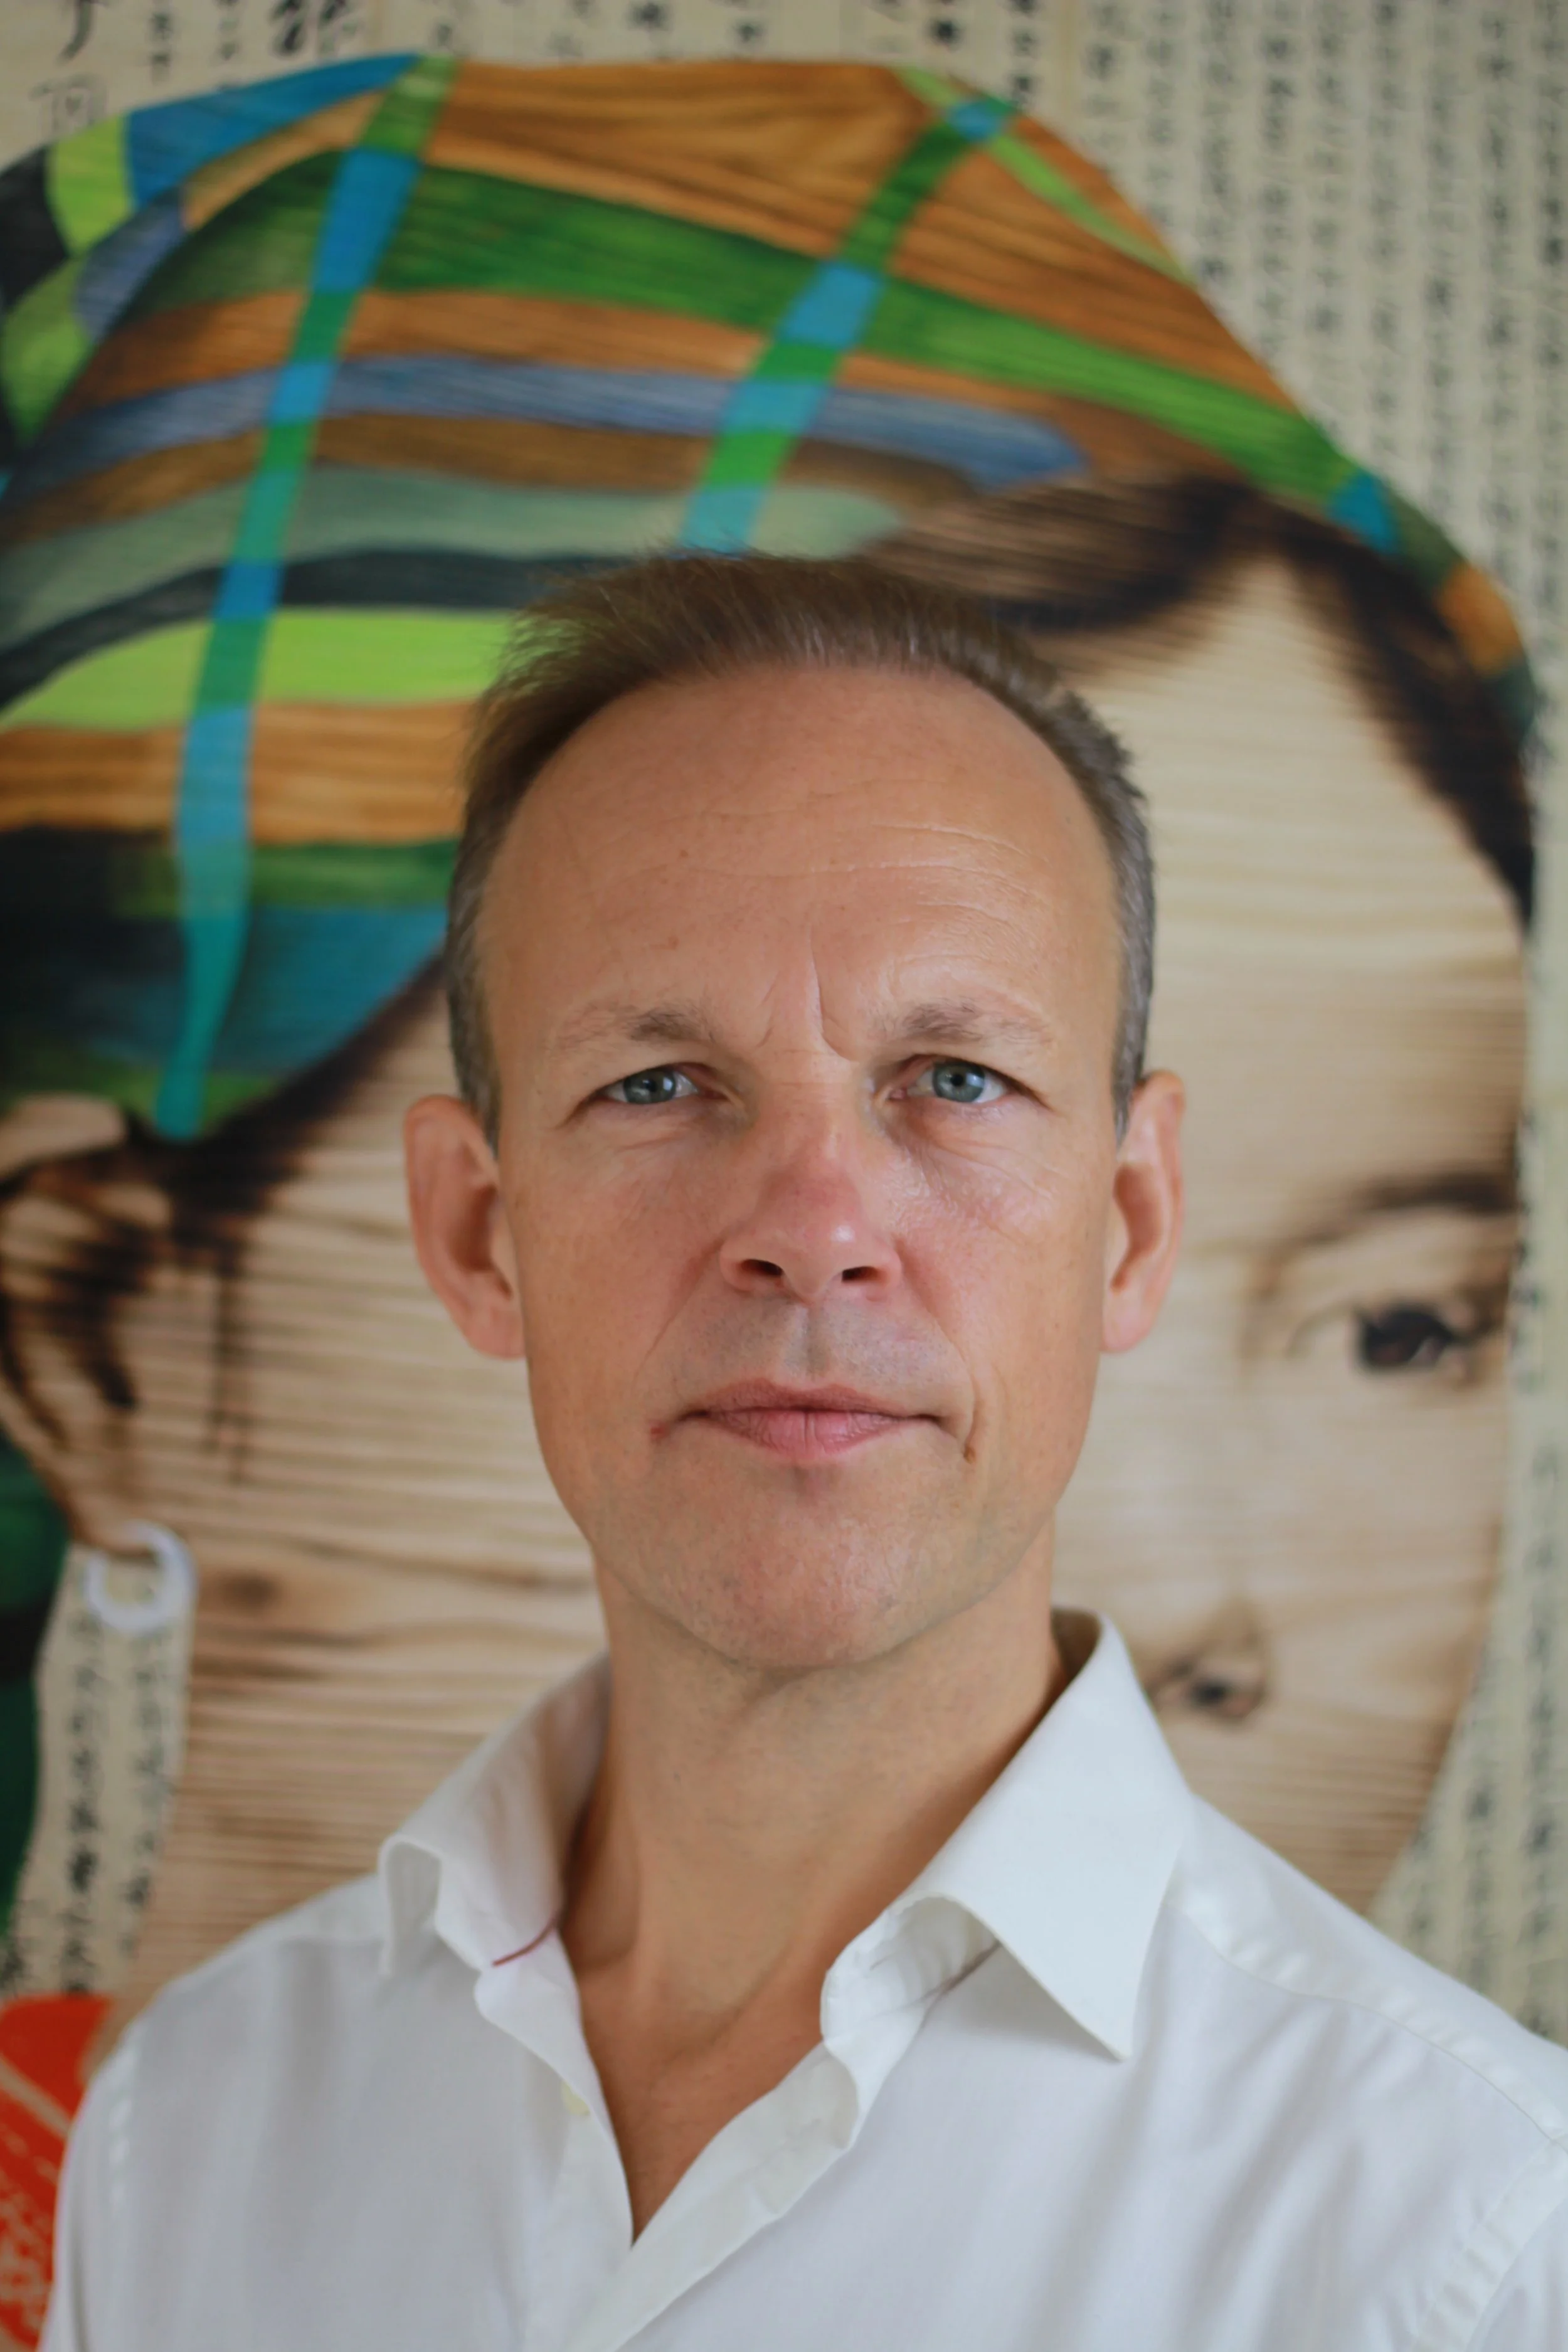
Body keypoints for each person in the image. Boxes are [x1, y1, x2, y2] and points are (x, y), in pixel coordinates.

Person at [43, 555, 1568, 2349]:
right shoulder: (190, 2128)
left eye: (954, 1077)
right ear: (477, 1234)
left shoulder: (1469, 2233)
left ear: (1129, 1223)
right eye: (661, 1082)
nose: (815, 1227)